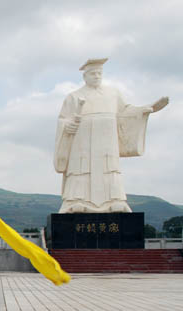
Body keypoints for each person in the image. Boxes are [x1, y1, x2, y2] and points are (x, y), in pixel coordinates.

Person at [54, 58, 168, 213]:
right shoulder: (73, 97)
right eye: (93, 73)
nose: (96, 76)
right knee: (81, 168)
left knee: (109, 167)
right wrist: (68, 125)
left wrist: (145, 109)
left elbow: (125, 112)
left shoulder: (113, 93)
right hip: (82, 140)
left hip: (107, 139)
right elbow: (63, 119)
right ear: (85, 76)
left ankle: (115, 200)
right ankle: (75, 201)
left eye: (99, 73)